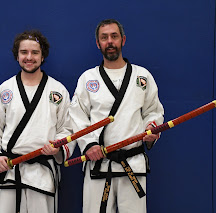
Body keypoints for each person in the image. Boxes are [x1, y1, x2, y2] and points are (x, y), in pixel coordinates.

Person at [69, 19, 164, 213]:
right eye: (104, 38)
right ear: (98, 43)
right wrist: (89, 145)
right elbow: (77, 116)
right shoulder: (88, 78)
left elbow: (153, 111)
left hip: (133, 164)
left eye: (114, 36)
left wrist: (151, 128)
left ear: (123, 40)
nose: (109, 41)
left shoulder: (142, 76)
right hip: (99, 163)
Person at [0, 29, 75, 213]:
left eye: (35, 52)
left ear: (43, 55)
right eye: (24, 52)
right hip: (11, 171)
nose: (29, 57)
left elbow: (67, 129)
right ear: (17, 55)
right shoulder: (5, 90)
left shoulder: (58, 91)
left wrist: (58, 147)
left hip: (43, 173)